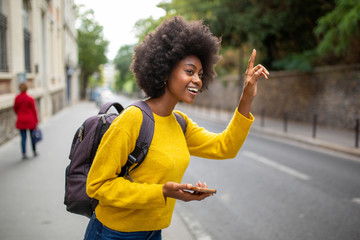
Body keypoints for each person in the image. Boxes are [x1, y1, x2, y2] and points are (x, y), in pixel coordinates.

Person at [84, 16, 269, 240]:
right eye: (189, 72)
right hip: (113, 233)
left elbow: (225, 147)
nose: (198, 80)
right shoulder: (133, 118)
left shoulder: (180, 123)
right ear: (165, 70)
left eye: (200, 74)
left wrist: (246, 97)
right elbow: (97, 185)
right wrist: (162, 191)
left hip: (153, 233)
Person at [13, 82, 39, 159]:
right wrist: (36, 121)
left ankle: (24, 153)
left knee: (23, 138)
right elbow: (34, 110)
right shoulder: (30, 98)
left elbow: (15, 108)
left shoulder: (17, 98)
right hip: (30, 120)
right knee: (32, 136)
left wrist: (19, 114)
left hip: (21, 120)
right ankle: (34, 151)